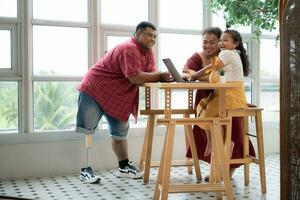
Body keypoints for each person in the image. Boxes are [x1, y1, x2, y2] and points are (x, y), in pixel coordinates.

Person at [75, 21, 173, 183]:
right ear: (137, 34)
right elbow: (135, 77)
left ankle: (123, 166)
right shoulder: (129, 48)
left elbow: (148, 75)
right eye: (149, 35)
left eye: (155, 36)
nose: (153, 39)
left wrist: (163, 77)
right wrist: (159, 75)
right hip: (95, 88)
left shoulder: (148, 52)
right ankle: (85, 169)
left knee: (120, 132)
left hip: (118, 94)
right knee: (88, 129)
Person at [184, 28, 255, 179]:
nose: (209, 45)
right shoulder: (221, 55)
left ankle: (224, 166)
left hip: (227, 98)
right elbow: (212, 77)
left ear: (234, 43)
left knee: (218, 120)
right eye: (205, 42)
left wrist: (194, 74)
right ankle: (218, 161)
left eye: (215, 42)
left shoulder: (226, 54)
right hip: (219, 97)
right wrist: (193, 74)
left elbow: (213, 73)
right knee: (203, 109)